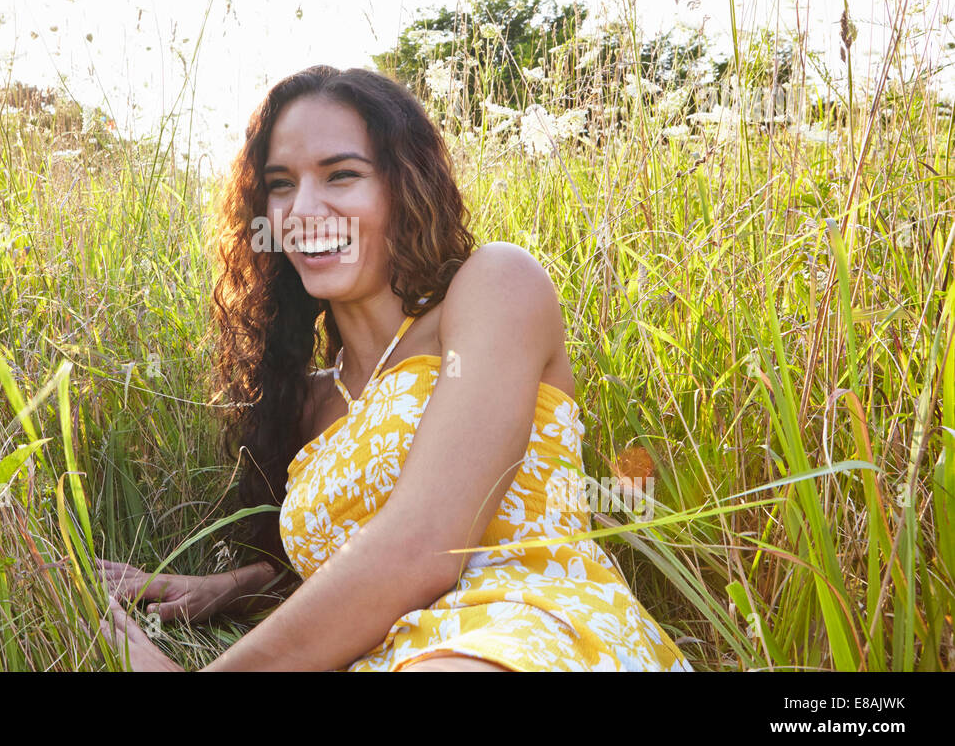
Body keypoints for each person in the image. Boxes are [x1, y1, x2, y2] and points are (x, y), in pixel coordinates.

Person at [95, 65, 692, 671]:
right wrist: (221, 589)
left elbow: (424, 545)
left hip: (528, 627)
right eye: (280, 185)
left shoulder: (494, 290)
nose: (303, 209)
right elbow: (343, 569)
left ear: (404, 185)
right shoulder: (304, 402)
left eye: (342, 175)